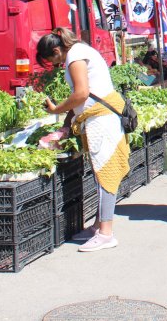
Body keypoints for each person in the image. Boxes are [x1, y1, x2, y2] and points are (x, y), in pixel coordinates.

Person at [39, 27, 129, 252]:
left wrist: (56, 110)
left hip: (102, 121)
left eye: (53, 60)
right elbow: (84, 98)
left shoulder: (74, 56)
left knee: (105, 172)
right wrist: (67, 124)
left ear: (57, 50)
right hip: (101, 118)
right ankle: (99, 225)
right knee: (102, 173)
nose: (57, 65)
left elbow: (81, 94)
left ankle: (106, 233)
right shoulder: (79, 51)